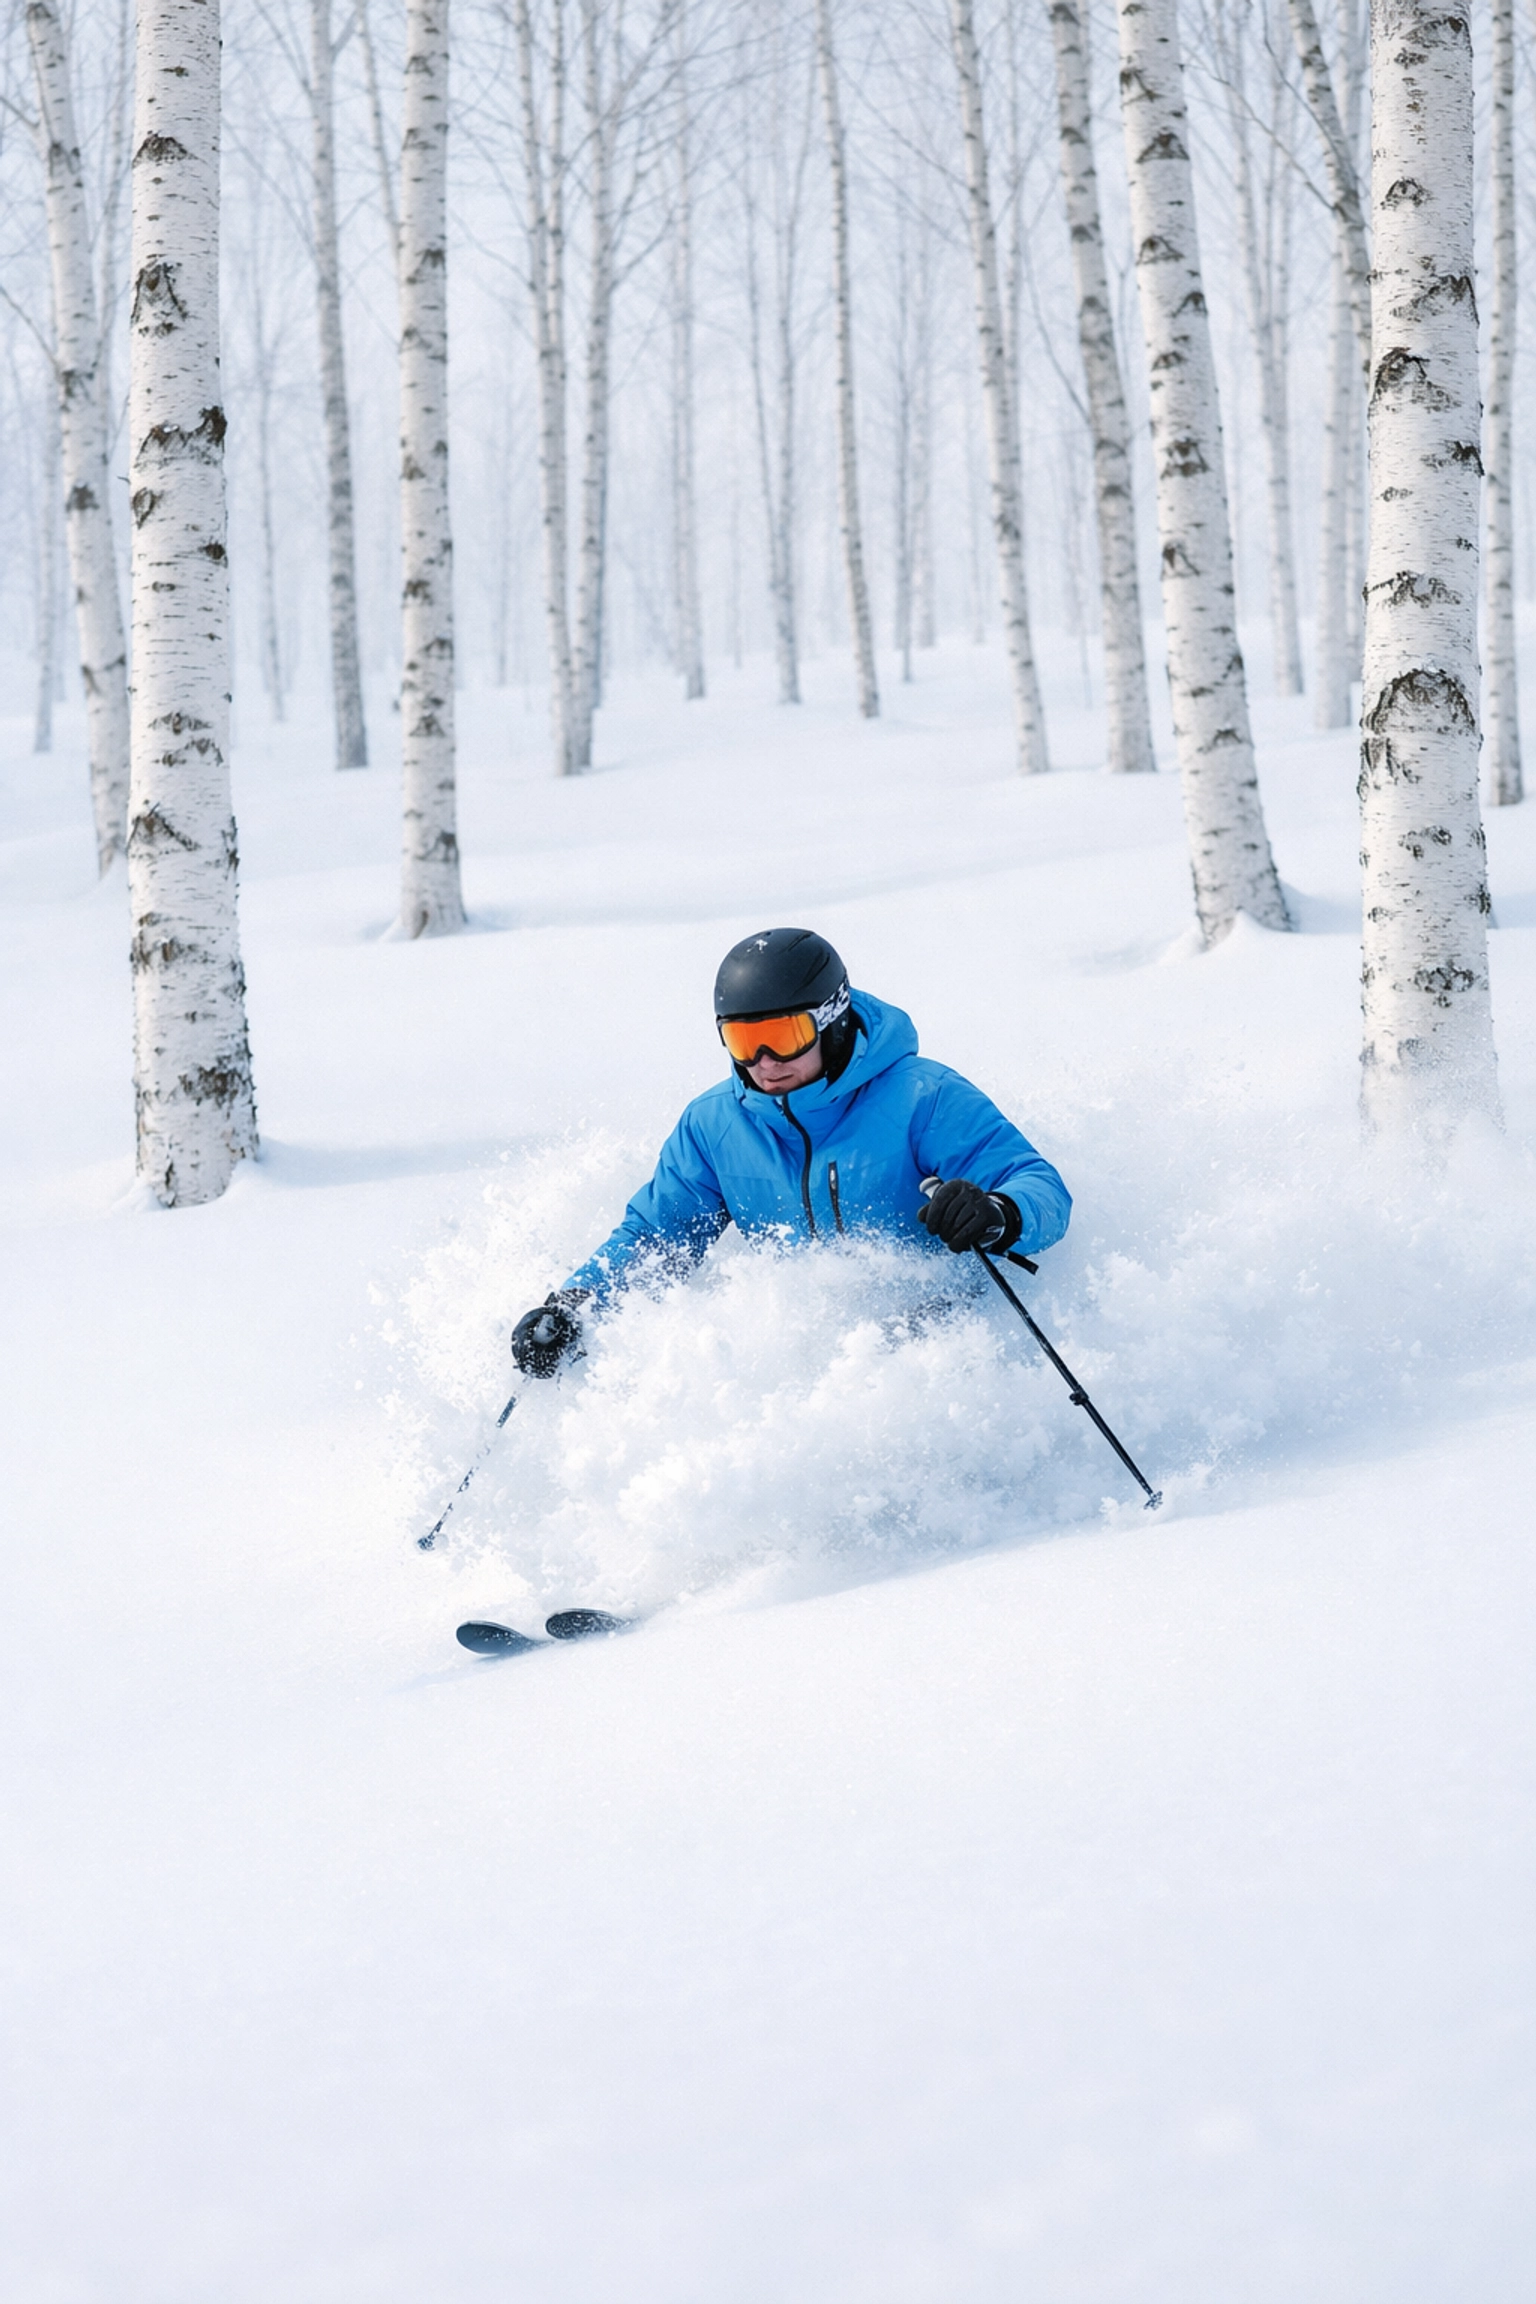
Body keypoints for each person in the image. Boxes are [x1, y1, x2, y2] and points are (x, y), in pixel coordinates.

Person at [511, 928, 1071, 1377]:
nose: (762, 1062)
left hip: (947, 1355)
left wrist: (999, 1213)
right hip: (807, 1369)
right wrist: (572, 1308)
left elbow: (1038, 1185)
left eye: (781, 1037)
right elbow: (658, 1239)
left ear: (831, 1022)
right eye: (741, 1041)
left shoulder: (922, 1095)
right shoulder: (714, 1124)